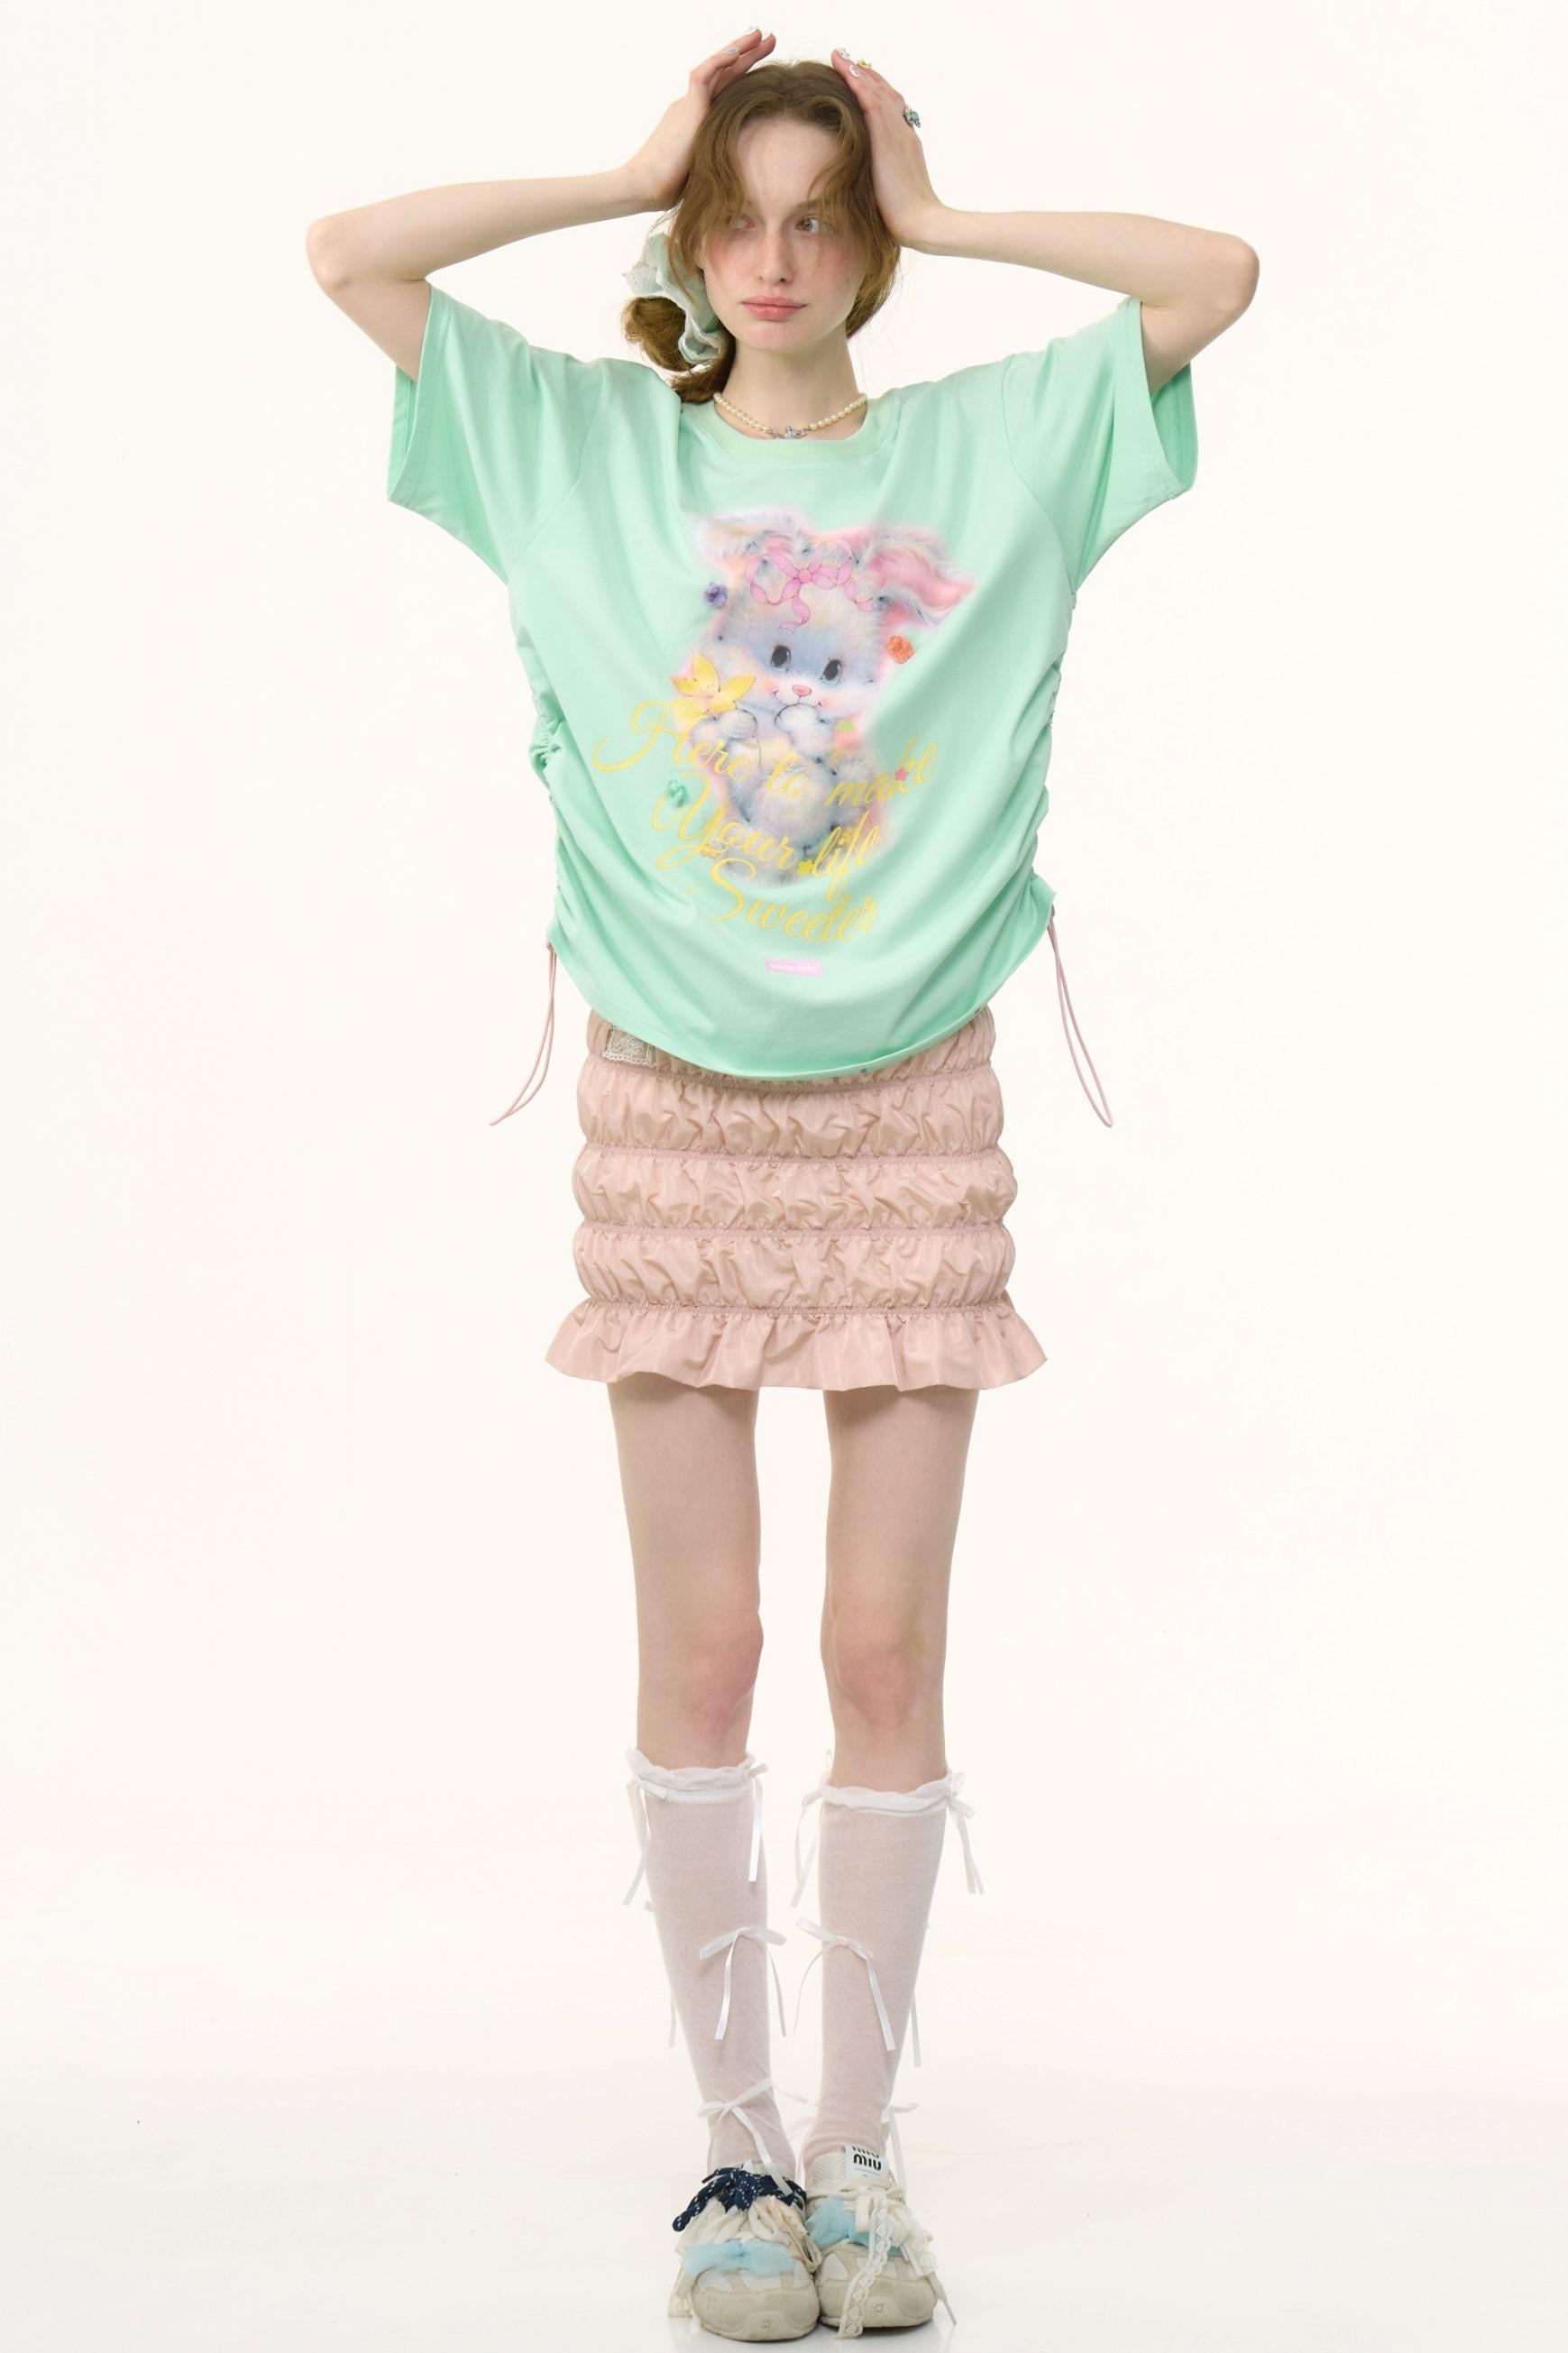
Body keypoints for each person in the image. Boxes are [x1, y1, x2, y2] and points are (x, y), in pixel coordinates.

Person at [307, 32, 1255, 2339]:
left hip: (911, 1100)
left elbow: (1215, 276)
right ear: (690, 239)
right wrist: (627, 164)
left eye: (822, 215)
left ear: (868, 239)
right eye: (739, 216)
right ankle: (735, 2160)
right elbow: (348, 256)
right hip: (672, 1101)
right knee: (712, 1648)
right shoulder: (577, 446)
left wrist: (948, 211)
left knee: (883, 1649)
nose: (779, 255)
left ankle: (860, 2157)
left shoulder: (993, 446)